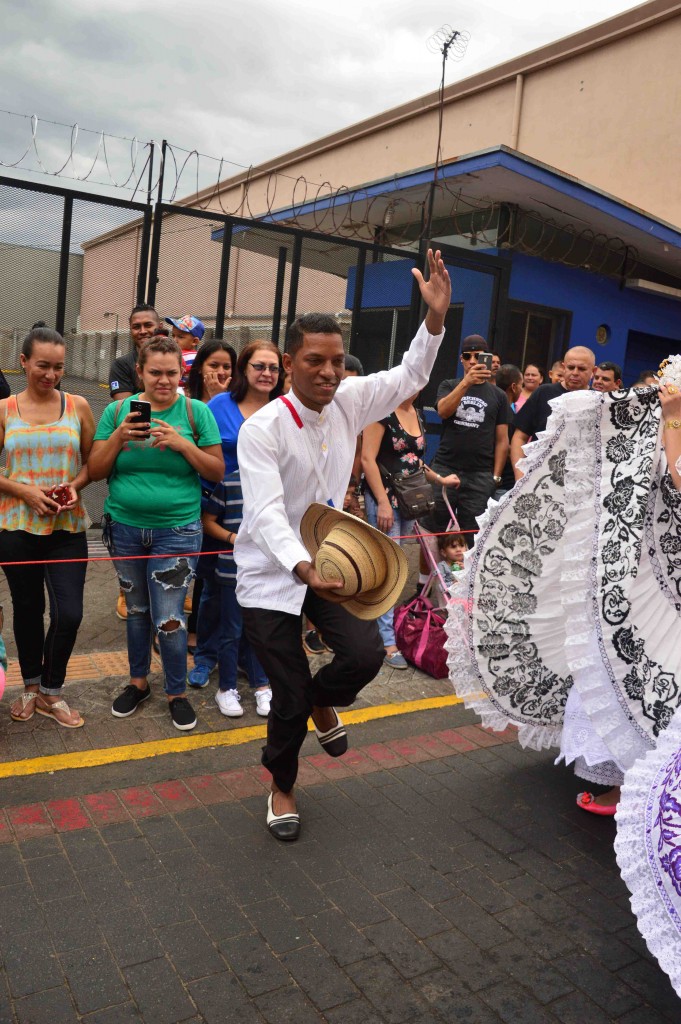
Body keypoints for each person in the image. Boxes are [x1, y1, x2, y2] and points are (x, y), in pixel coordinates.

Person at [236, 248, 451, 841]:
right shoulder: (262, 430)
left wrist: (433, 321)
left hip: (334, 565)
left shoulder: (351, 401)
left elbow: (410, 377)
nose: (329, 372)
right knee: (284, 696)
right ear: (288, 362)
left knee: (365, 656)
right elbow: (264, 514)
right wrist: (302, 568)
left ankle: (318, 700)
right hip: (271, 573)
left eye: (336, 362)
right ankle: (281, 785)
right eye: (315, 361)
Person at [88, 336, 224, 732]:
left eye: (171, 373)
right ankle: (138, 682)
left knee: (169, 618)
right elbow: (95, 471)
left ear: (182, 373)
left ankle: (176, 692)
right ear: (140, 373)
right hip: (125, 528)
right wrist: (118, 437)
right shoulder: (116, 412)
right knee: (137, 611)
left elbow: (216, 471)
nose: (164, 381)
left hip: (178, 532)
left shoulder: (196, 412)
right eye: (155, 373)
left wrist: (183, 445)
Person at [0, 326, 95, 728]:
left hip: (67, 527)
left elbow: (95, 462)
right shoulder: (4, 409)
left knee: (69, 613)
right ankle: (31, 687)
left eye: (58, 367)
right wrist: (23, 491)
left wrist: (74, 486)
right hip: (16, 527)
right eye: (42, 366)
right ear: (23, 363)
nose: (50, 375)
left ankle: (53, 692)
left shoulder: (78, 406)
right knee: (27, 609)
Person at [188, 340, 281, 717]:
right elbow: (200, 452)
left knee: (256, 596)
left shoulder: (282, 409)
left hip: (263, 513)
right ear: (244, 369)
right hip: (219, 508)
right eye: (259, 366)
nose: (266, 374)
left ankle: (248, 664)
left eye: (273, 368)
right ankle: (207, 658)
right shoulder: (219, 405)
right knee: (214, 590)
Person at [361, 395, 459, 668]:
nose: (415, 387)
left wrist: (440, 479)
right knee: (388, 568)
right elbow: (367, 459)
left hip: (410, 500)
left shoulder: (417, 412)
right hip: (386, 500)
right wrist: (381, 501)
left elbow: (414, 460)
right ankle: (386, 641)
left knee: (397, 567)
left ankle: (383, 630)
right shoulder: (380, 409)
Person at [426, 334, 511, 547]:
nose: (472, 361)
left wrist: (496, 477)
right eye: (467, 356)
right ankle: (426, 579)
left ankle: (464, 580)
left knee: (473, 535)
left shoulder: (499, 395)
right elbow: (443, 412)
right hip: (445, 467)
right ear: (461, 359)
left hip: (480, 475)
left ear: (488, 359)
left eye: (478, 356)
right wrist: (466, 383)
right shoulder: (449, 385)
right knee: (433, 529)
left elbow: (502, 440)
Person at [182, 340, 237, 650]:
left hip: (227, 498)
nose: (220, 371)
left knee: (211, 573)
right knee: (187, 567)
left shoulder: (237, 403)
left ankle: (203, 631)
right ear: (199, 368)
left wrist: (222, 400)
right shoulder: (185, 405)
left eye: (226, 366)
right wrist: (216, 401)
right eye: (213, 365)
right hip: (195, 495)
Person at [510, 346, 595, 477]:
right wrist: (520, 477)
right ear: (564, 367)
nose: (575, 373)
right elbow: (519, 437)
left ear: (593, 371)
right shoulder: (543, 392)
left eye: (582, 369)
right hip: (536, 478)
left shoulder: (598, 401)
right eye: (571, 367)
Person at [109, 304, 161, 400]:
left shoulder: (177, 359)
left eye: (148, 325)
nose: (142, 331)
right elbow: (125, 407)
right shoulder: (121, 365)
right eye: (136, 327)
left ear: (160, 327)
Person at [494, 363, 523, 499]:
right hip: (504, 483)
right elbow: (506, 446)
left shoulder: (491, 410)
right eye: (521, 385)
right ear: (513, 387)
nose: (521, 390)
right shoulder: (509, 416)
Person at [165, 315, 206, 385]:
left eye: (180, 337)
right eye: (173, 336)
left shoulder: (195, 357)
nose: (174, 340)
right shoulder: (199, 356)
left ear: (194, 341)